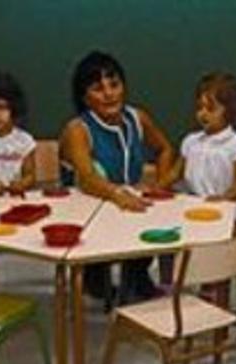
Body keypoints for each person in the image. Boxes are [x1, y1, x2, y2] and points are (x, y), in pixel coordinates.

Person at [60, 50, 175, 303]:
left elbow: (165, 149)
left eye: (114, 84)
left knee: (151, 221)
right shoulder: (77, 130)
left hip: (127, 203)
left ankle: (136, 278)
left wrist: (162, 184)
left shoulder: (138, 118)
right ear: (84, 97)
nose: (109, 93)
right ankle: (95, 279)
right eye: (98, 88)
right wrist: (116, 194)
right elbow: (88, 178)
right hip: (87, 209)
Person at [169, 72, 236, 203]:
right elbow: (175, 173)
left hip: (223, 207)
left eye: (211, 108)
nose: (203, 114)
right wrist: (156, 187)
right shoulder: (190, 141)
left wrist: (223, 199)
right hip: (193, 203)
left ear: (229, 110)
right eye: (200, 107)